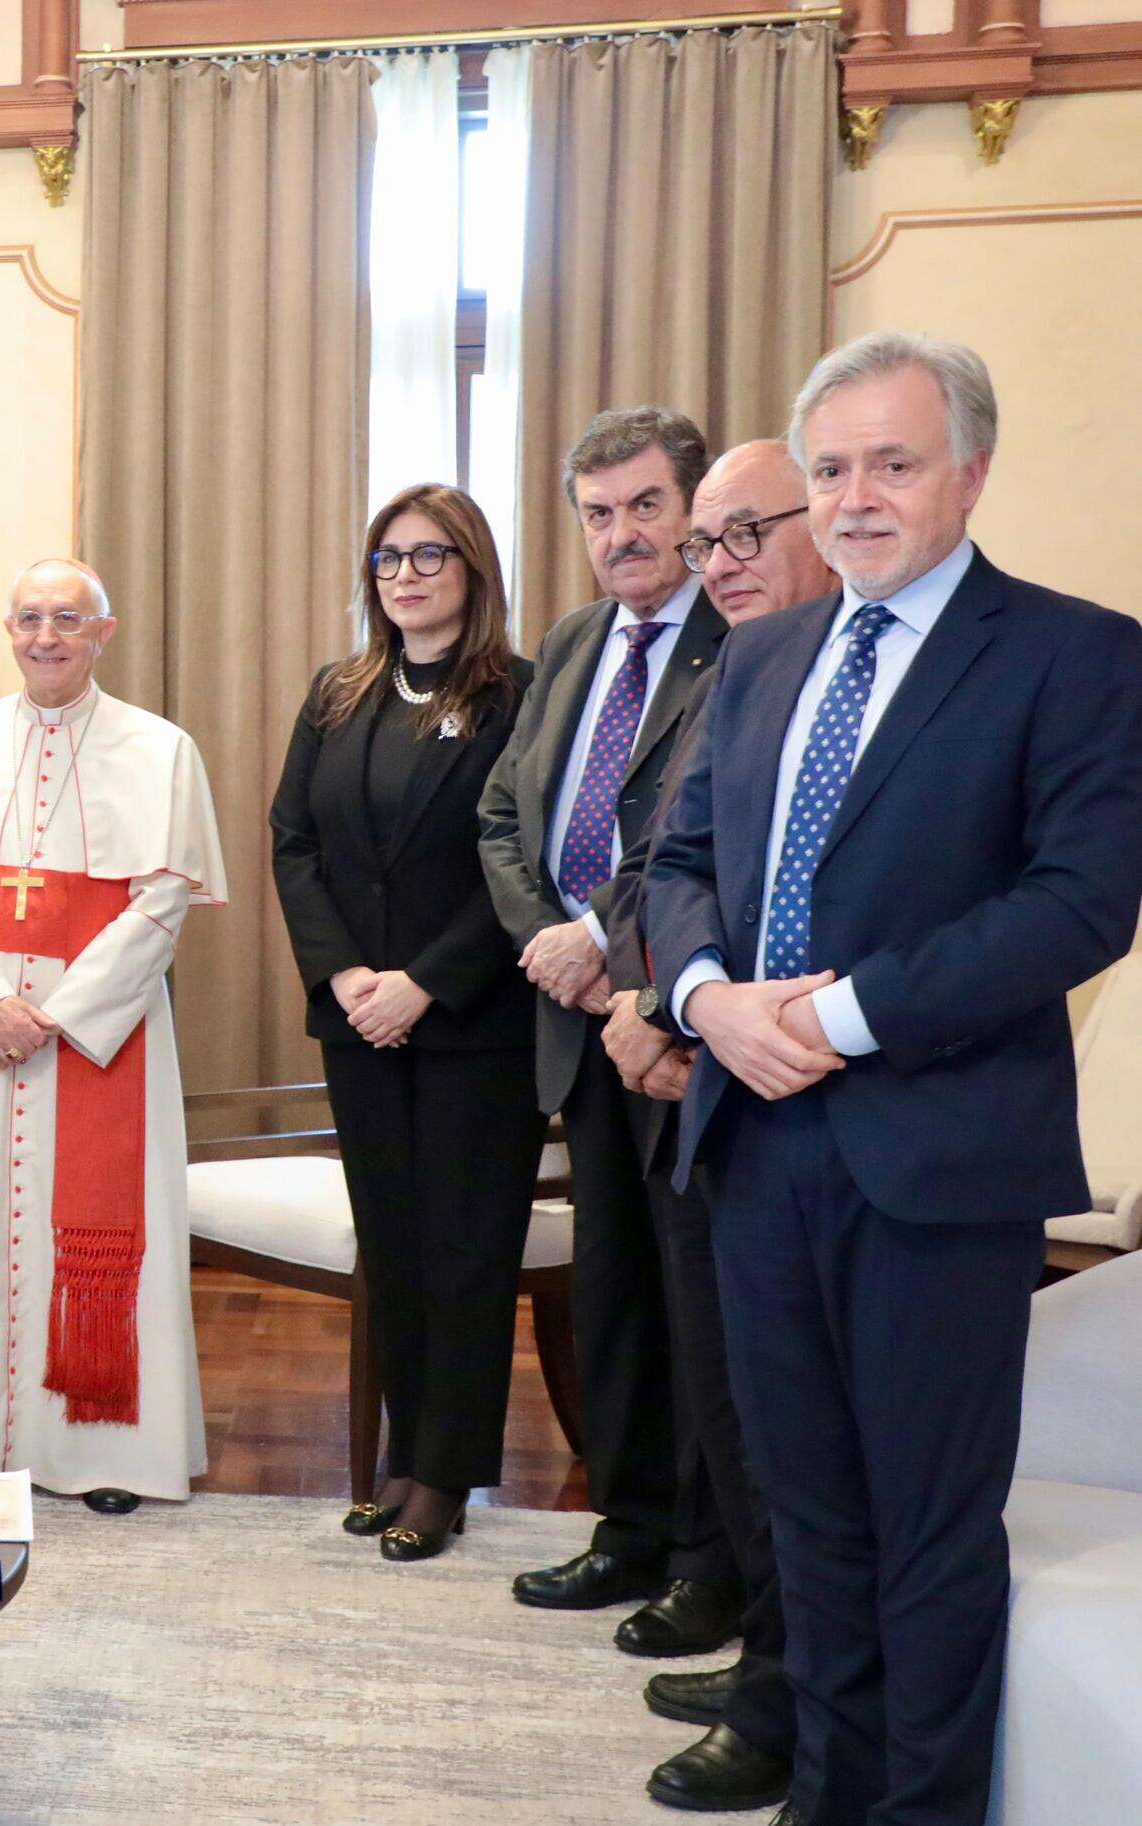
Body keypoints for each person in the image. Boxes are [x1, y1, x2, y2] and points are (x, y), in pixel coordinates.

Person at [646, 332, 1142, 1826]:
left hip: (939, 1157)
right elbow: (681, 862)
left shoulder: (1078, 653)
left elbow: (1078, 905)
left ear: (970, 472)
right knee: (808, 1524)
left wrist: (845, 1015)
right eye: (835, 466)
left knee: (926, 1532)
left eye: (896, 461)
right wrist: (706, 998)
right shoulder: (761, 653)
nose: (858, 497)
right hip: (755, 1148)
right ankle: (825, 1799)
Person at [478, 407, 740, 1647]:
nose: (622, 532)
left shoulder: (741, 640)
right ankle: (626, 1527)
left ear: (691, 512)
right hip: (576, 1019)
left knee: (698, 1300)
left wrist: (607, 944)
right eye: (598, 512)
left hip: (675, 1018)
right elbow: (501, 814)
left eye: (645, 505)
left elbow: (700, 840)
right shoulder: (577, 639)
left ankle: (707, 1554)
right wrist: (553, 936)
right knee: (613, 1290)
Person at [599, 441, 833, 1815]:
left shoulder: (850, 673)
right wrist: (658, 999)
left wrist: (691, 1015)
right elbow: (665, 862)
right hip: (698, 1084)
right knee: (738, 1408)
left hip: (806, 1101)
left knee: (788, 1432)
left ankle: (793, 1691)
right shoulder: (739, 672)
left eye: (749, 530)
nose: (722, 561)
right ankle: (775, 1665)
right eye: (710, 542)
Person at [0, 558, 227, 1510]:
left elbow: (164, 896)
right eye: (30, 618)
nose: (46, 637)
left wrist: (67, 1012)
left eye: (68, 620)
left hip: (101, 1030)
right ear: (9, 629)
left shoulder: (161, 749)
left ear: (104, 632)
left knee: (94, 1231)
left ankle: (107, 1454)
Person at [270, 485, 540, 1559]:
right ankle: (399, 1454)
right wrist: (344, 978)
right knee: (392, 1245)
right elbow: (294, 842)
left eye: (431, 556)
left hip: (475, 1020)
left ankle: (447, 1470)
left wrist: (423, 980)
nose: (407, 575)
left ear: (472, 569)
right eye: (387, 557)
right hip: (359, 1023)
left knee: (465, 1252)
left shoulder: (520, 694)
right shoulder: (340, 693)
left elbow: (525, 856)